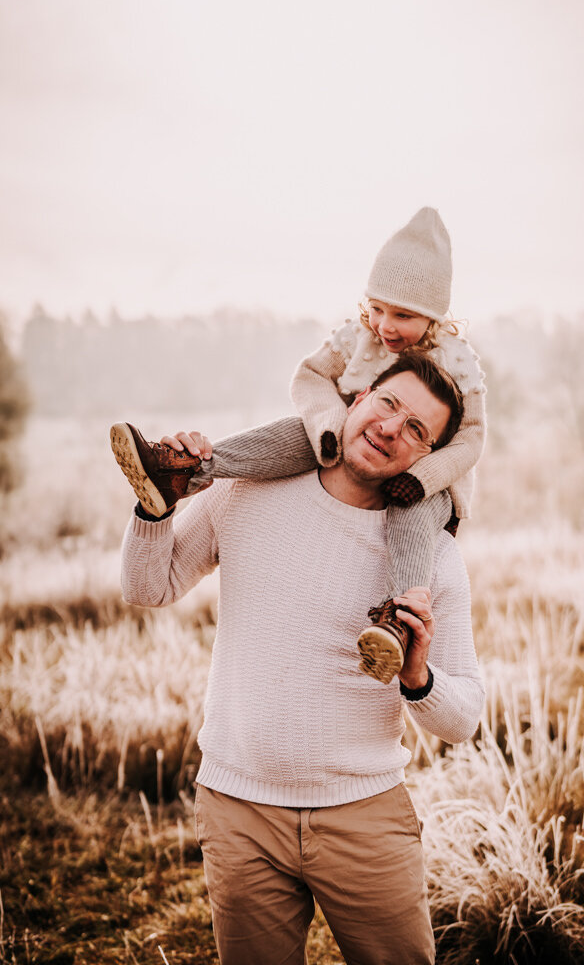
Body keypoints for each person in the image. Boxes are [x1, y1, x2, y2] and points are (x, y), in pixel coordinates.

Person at [120, 352, 485, 965]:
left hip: (366, 819)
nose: (393, 428)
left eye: (418, 430)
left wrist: (418, 678)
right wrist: (156, 507)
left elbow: (465, 719)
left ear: (428, 459)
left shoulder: (432, 561)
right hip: (239, 812)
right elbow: (146, 588)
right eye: (389, 404)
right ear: (359, 397)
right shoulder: (246, 491)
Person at [111, 206, 486, 684]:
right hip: (343, 439)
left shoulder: (457, 362)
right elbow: (309, 377)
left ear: (433, 316)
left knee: (411, 516)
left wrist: (423, 476)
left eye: (403, 315)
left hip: (435, 485)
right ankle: (185, 473)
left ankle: (398, 620)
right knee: (294, 430)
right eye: (377, 308)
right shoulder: (361, 338)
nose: (385, 325)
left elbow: (472, 439)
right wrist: (329, 425)